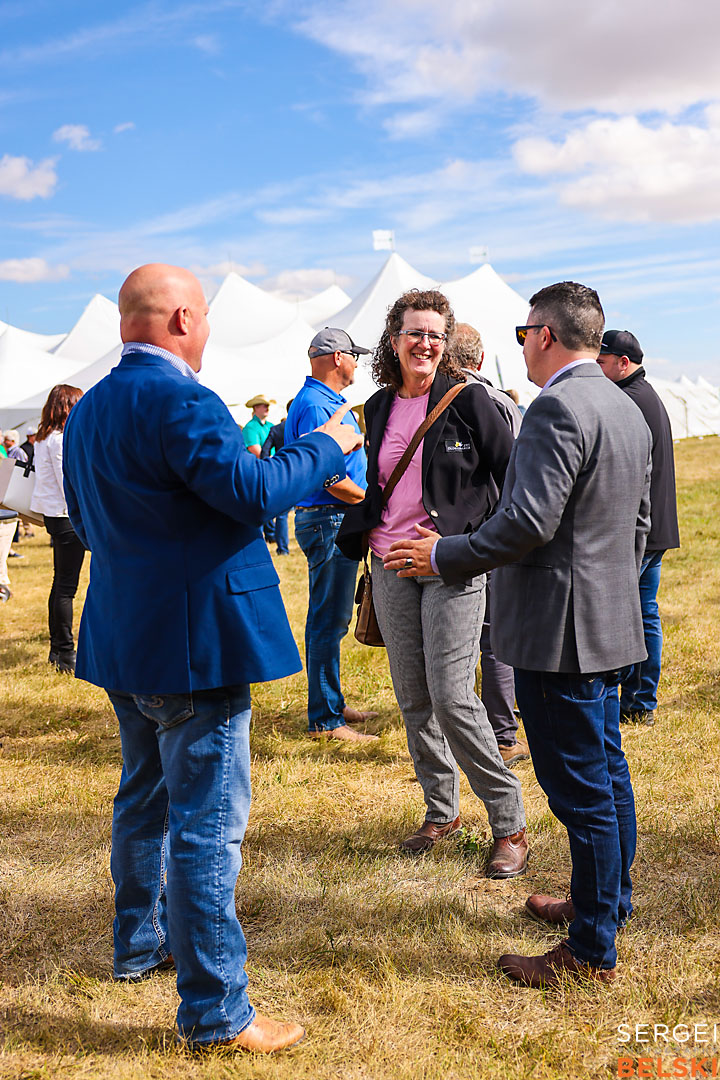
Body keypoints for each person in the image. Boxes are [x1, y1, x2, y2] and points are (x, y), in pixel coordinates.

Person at [62, 263, 362, 1054]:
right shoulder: (181, 397)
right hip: (194, 644)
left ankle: (138, 945)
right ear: (185, 319)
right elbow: (249, 491)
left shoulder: (90, 406)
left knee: (144, 802)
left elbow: (96, 520)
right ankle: (217, 1012)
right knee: (205, 827)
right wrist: (327, 446)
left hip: (128, 633)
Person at [385, 282, 652, 985]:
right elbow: (640, 524)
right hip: (606, 620)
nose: (522, 346)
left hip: (560, 631)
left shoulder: (558, 406)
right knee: (607, 772)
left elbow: (528, 521)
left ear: (544, 335)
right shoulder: (622, 404)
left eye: (522, 333)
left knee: (579, 791)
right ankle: (604, 903)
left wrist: (441, 553)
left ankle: (592, 950)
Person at [337, 290, 527, 877]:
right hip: (390, 566)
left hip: (451, 567)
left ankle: (510, 821)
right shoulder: (376, 406)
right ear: (393, 340)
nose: (424, 344)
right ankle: (441, 812)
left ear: (446, 346)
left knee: (451, 695)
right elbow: (377, 482)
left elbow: (514, 485)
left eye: (435, 336)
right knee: (413, 697)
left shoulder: (470, 402)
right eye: (413, 333)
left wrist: (458, 549)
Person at [286, 328, 378, 742]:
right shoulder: (314, 404)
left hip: (333, 518)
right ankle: (324, 719)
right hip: (329, 517)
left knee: (333, 617)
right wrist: (370, 501)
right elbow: (325, 474)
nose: (358, 362)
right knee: (327, 619)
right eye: (354, 355)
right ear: (337, 357)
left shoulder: (324, 401)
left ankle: (332, 705)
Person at [597, 329, 680, 726]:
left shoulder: (628, 401)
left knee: (627, 616)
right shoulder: (645, 395)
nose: (596, 369)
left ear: (622, 363)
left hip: (640, 530)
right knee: (644, 613)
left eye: (601, 362)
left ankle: (630, 701)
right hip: (655, 526)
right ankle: (639, 702)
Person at [454, 322, 528, 766]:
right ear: (480, 359)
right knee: (494, 636)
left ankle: (461, 728)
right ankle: (501, 733)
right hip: (492, 533)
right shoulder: (497, 401)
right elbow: (519, 467)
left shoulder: (427, 400)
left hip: (442, 538)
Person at [30, 385, 86, 674]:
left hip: (55, 515)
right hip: (66, 515)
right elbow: (70, 480)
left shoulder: (43, 438)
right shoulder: (60, 440)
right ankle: (65, 652)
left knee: (61, 583)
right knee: (67, 587)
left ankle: (58, 650)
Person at [243, 394, 277, 547]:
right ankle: (263, 537)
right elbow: (256, 450)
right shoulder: (250, 427)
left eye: (267, 405)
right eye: (264, 405)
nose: (267, 408)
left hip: (272, 467)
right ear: (256, 408)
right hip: (259, 471)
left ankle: (270, 535)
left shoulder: (271, 425)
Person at [260, 400, 293, 555]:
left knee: (282, 515)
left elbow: (264, 453)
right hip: (304, 472)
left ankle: (283, 549)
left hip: (282, 472)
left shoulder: (276, 429)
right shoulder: (304, 427)